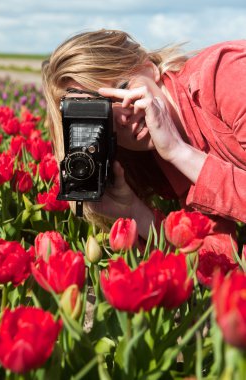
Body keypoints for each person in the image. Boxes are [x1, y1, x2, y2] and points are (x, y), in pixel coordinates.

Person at [42, 29, 246, 259]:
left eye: (122, 87)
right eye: (102, 115)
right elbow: (214, 258)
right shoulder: (161, 160)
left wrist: (180, 152)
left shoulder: (227, 75)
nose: (122, 116)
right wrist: (133, 211)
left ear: (149, 68)